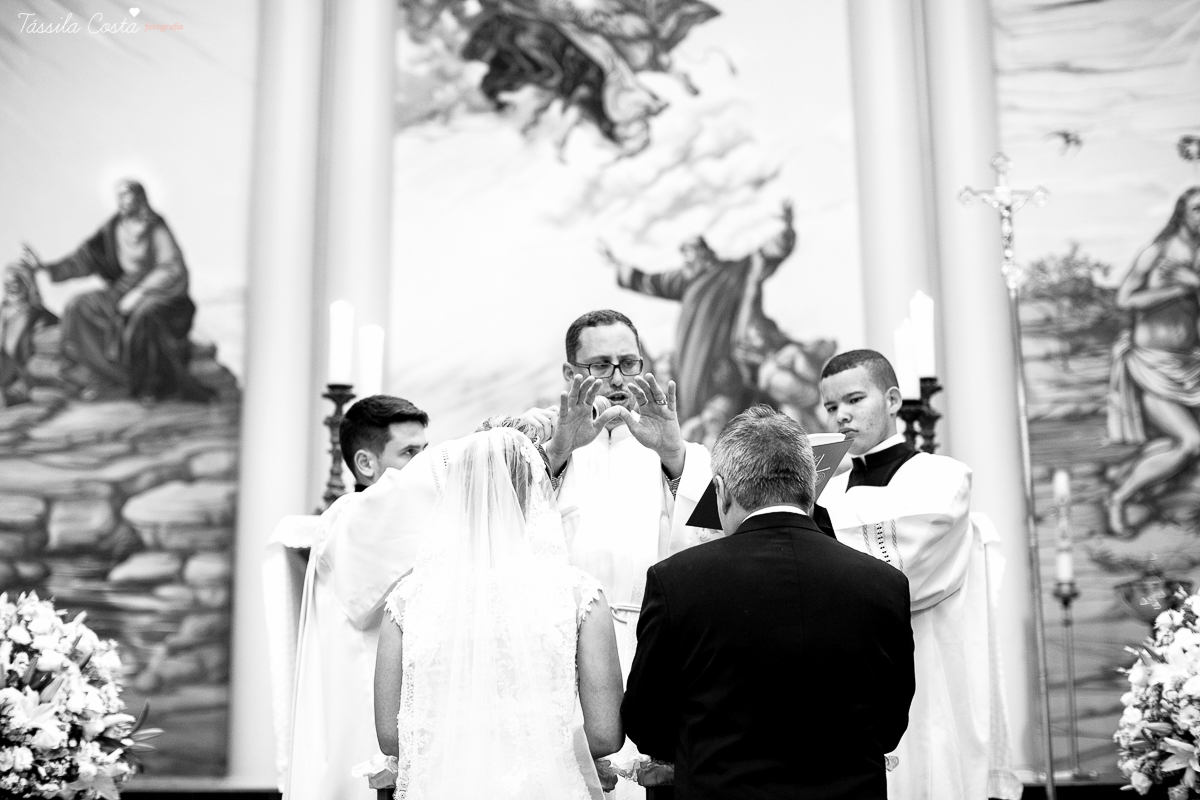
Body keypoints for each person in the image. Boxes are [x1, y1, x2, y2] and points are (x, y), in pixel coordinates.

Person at [622, 405, 914, 799]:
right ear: (811, 488)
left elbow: (645, 724)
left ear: (722, 491)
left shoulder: (675, 581)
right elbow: (890, 724)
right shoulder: (884, 584)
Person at [374, 426, 626, 799]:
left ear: (456, 492)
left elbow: (392, 737)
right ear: (533, 491)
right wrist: (541, 754)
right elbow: (605, 733)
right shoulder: (579, 595)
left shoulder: (408, 600)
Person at [521, 309, 713, 797]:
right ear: (570, 375)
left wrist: (674, 457)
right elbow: (514, 531)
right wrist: (558, 452)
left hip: (656, 646)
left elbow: (711, 544)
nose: (617, 378)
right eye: (600, 365)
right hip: (563, 647)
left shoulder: (678, 449)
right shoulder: (539, 448)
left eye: (629, 363)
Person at [815, 350, 1020, 800]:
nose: (842, 416)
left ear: (891, 399)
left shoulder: (941, 477)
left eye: (854, 399)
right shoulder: (826, 489)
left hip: (928, 670)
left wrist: (809, 518)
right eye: (831, 407)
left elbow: (909, 560)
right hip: (846, 679)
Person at [276, 396, 431, 800]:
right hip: (365, 709)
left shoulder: (411, 513)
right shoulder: (353, 516)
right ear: (366, 464)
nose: (422, 466)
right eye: (409, 453)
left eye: (425, 452)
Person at [602, 201, 795, 422]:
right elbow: (650, 282)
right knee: (689, 399)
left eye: (690, 256)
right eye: (685, 258)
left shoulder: (731, 273)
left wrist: (786, 232)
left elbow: (764, 257)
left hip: (719, 354)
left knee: (720, 402)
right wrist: (618, 266)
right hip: (689, 354)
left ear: (704, 254)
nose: (686, 262)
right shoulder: (686, 280)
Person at [22, 179, 209, 402]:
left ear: (139, 198)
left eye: (126, 195)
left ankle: (148, 385)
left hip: (160, 293)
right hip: (122, 290)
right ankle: (100, 376)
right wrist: (45, 267)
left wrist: (139, 293)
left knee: (142, 318)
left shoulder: (155, 226)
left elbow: (171, 268)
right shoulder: (112, 228)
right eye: (118, 196)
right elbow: (84, 259)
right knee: (78, 306)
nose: (121, 200)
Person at [1108, 187, 1200, 536]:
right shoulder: (1158, 251)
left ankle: (1131, 473)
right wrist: (1178, 290)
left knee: (1181, 440)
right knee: (1190, 442)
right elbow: (1125, 299)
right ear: (1181, 213)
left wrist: (1194, 284)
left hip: (1190, 365)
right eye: (1196, 209)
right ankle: (1120, 497)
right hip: (1153, 366)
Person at [339, 395, 431, 491]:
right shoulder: (344, 506)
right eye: (409, 451)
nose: (426, 463)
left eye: (424, 449)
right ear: (365, 464)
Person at [0, 263, 57, 406]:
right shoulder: (3, 310)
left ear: (27, 284)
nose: (10, 287)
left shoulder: (40, 317)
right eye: (7, 283)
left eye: (15, 282)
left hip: (24, 375)